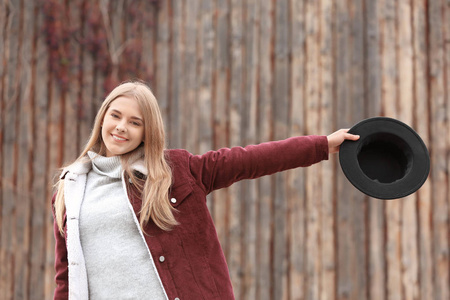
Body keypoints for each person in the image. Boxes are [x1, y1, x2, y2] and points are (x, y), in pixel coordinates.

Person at [52, 80, 359, 300]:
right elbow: (66, 276)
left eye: (135, 123)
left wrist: (320, 145)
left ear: (147, 133)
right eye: (116, 116)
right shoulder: (71, 189)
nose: (121, 127)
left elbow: (249, 159)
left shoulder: (176, 172)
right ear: (103, 117)